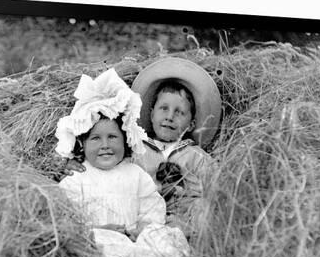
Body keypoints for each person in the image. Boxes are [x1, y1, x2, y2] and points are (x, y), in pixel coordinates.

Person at [55, 68, 189, 257]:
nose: (105, 146)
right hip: (98, 236)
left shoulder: (134, 173)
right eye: (95, 139)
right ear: (82, 144)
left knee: (164, 237)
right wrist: (100, 228)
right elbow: (68, 222)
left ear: (125, 140)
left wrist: (142, 228)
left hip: (134, 237)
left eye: (112, 137)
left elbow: (151, 207)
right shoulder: (76, 178)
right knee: (99, 243)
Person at [64, 58, 222, 222]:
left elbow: (220, 183)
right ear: (152, 114)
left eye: (179, 112)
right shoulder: (137, 149)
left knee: (203, 209)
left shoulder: (196, 156)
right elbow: (109, 163)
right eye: (164, 109)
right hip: (146, 215)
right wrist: (75, 162)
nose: (169, 117)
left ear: (191, 124)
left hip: (184, 216)